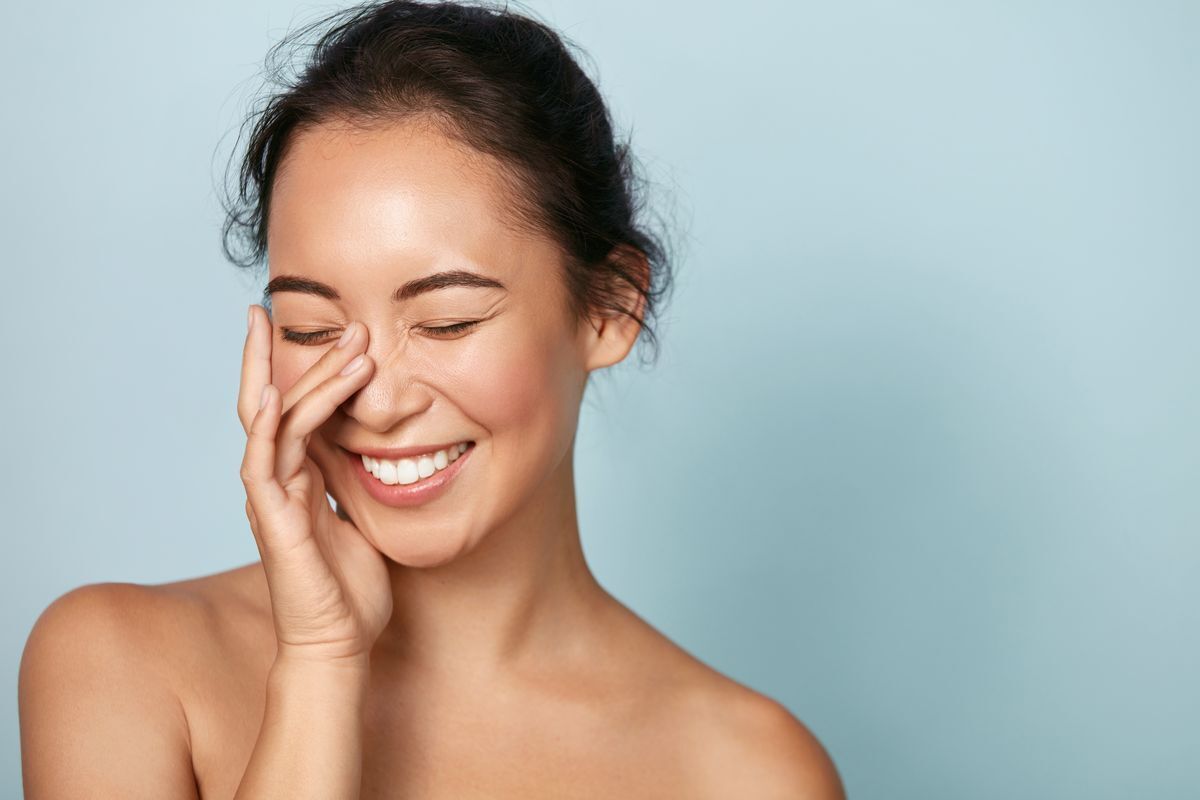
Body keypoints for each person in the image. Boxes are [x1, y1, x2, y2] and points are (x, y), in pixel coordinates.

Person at [18, 1, 846, 796]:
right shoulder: (121, 664)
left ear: (609, 309)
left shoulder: (752, 772)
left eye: (448, 322)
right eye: (312, 329)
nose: (376, 403)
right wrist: (320, 662)